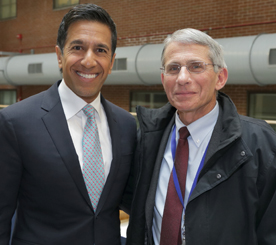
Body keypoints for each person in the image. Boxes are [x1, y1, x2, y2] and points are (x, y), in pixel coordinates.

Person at [0, 4, 137, 245]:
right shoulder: (15, 122)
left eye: (101, 50)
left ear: (112, 60)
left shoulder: (126, 125)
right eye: (77, 48)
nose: (88, 60)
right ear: (59, 55)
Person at [126, 28, 276, 245]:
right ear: (163, 78)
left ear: (220, 77)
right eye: (173, 68)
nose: (183, 78)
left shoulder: (260, 144)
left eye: (196, 67)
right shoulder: (147, 139)